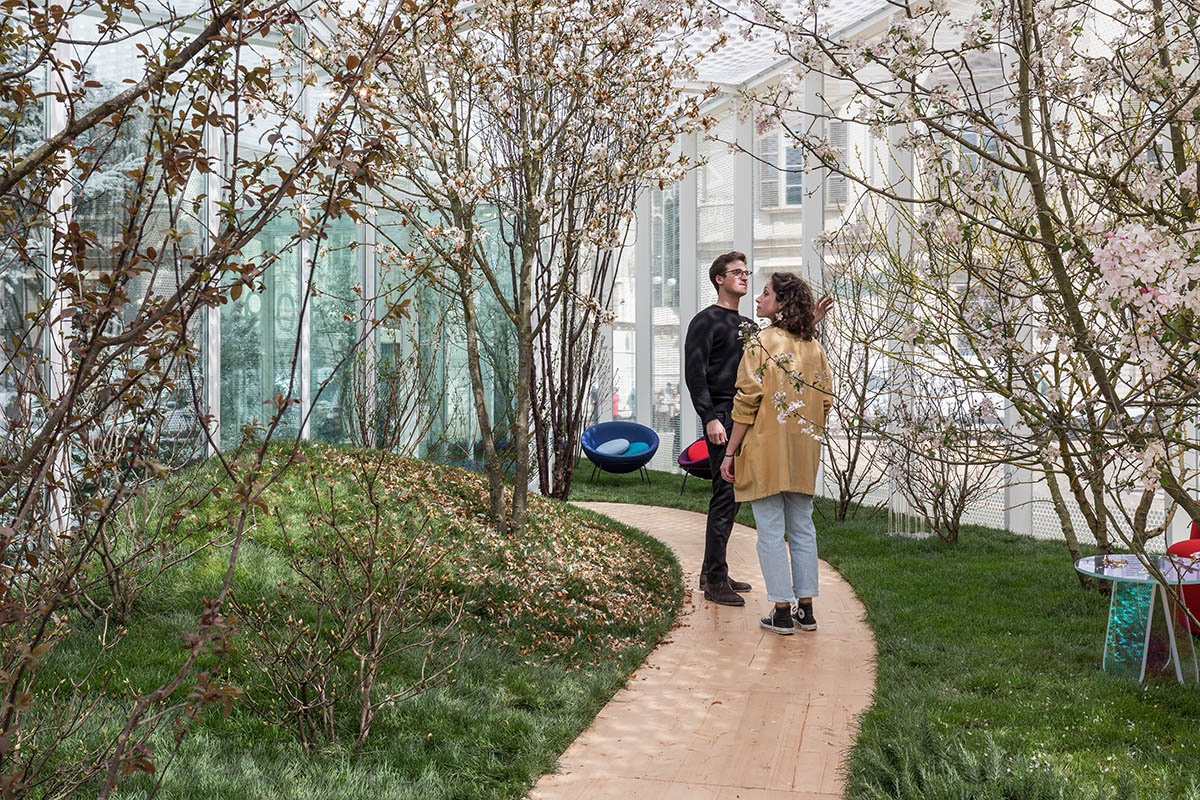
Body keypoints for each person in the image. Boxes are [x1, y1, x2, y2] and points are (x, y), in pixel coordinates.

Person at [719, 272, 834, 635]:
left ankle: (781, 611)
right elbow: (825, 402)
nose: (758, 298)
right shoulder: (815, 349)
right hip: (803, 452)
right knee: (802, 529)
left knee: (770, 531)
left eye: (766, 293)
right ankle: (806, 610)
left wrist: (729, 453)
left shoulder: (760, 343)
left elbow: (746, 401)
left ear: (782, 303)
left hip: (765, 451)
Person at [684, 252, 757, 606]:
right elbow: (695, 374)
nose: (744, 277)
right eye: (737, 272)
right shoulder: (705, 321)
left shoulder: (748, 325)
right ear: (719, 278)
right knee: (725, 496)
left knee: (733, 498)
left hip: (744, 418)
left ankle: (713, 571)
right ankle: (714, 581)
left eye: (746, 272)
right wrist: (709, 418)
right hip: (722, 419)